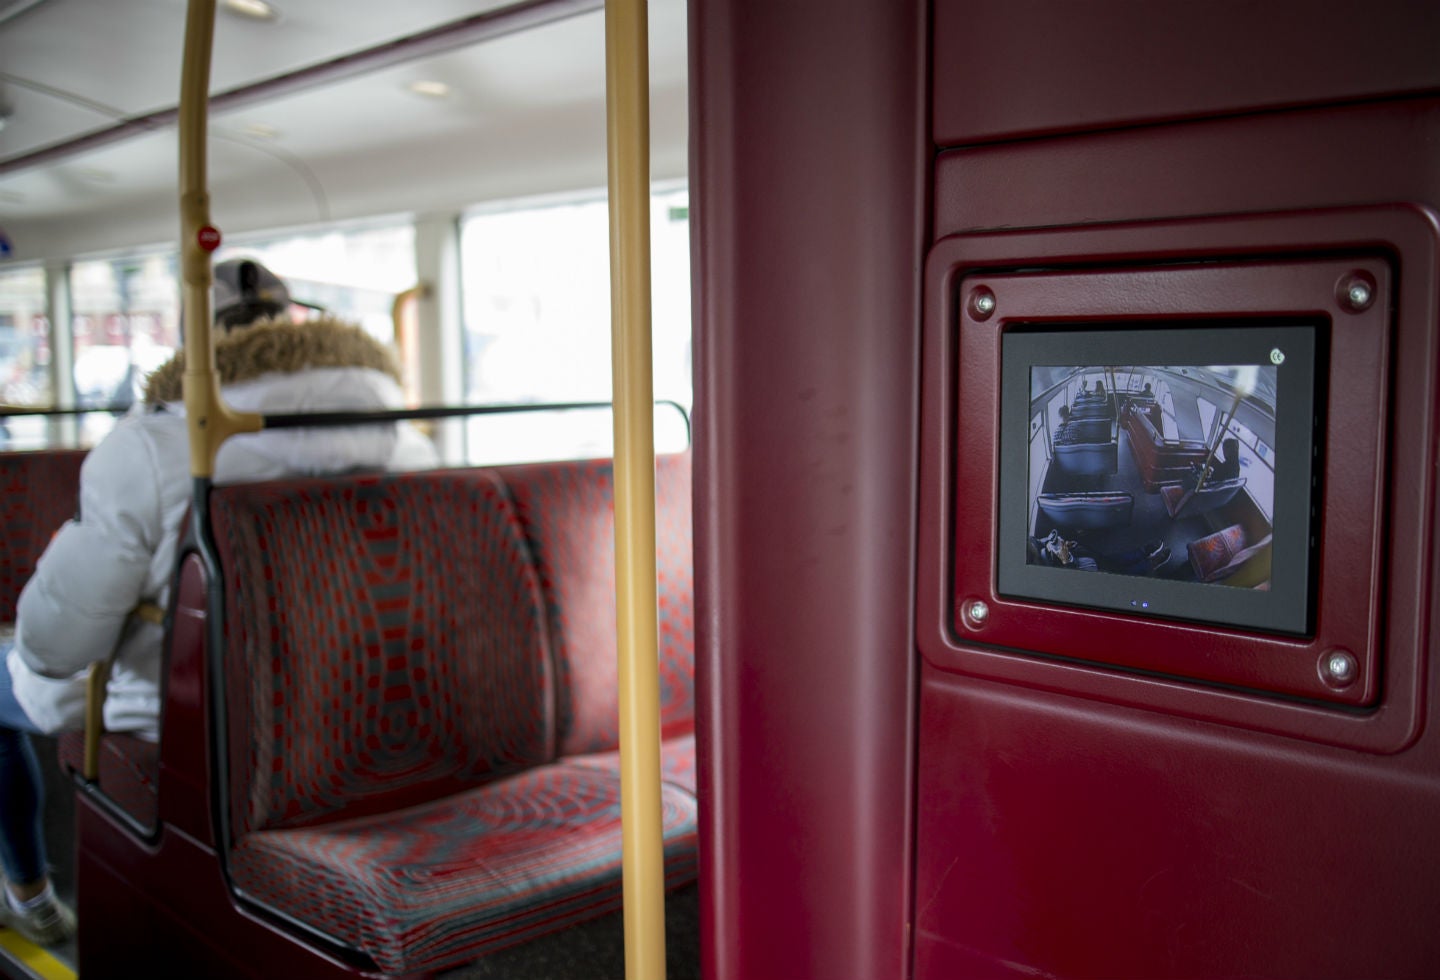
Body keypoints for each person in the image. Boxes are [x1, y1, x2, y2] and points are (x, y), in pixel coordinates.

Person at [0, 258, 436, 944]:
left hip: (181, 717)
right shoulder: (405, 438)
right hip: (357, 710)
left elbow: (55, 645)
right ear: (293, 326)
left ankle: (28, 895)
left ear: (197, 343)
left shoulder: (153, 444)